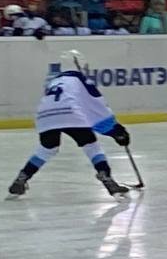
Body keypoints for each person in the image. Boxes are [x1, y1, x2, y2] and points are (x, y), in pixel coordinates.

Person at [7, 50, 132, 200]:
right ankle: (107, 179)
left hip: (44, 116)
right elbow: (96, 106)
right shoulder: (80, 79)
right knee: (91, 146)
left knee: (47, 149)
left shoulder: (53, 81)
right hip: (70, 114)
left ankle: (22, 178)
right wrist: (116, 131)